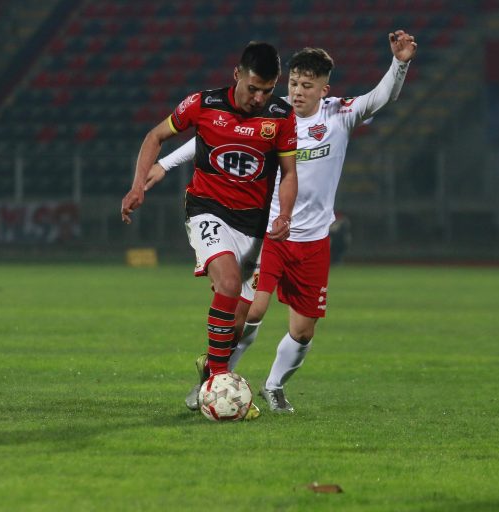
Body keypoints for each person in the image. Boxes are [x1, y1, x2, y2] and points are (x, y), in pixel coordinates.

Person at [146, 31, 417, 413]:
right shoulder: (272, 113)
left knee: (303, 331)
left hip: (313, 239)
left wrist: (400, 64)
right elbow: (208, 136)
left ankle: (273, 387)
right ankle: (213, 382)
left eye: (307, 85)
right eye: (293, 84)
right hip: (269, 231)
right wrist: (164, 163)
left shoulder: (340, 113)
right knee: (250, 313)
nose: (298, 92)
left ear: (324, 89)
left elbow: (381, 96)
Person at [121, 42, 298, 418]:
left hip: (254, 226)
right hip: (207, 210)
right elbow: (155, 136)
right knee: (228, 284)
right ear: (237, 75)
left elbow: (289, 173)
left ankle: (210, 371)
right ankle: (219, 380)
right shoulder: (203, 104)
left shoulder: (281, 117)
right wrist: (138, 186)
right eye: (253, 88)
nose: (259, 98)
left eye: (267, 90)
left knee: (239, 323)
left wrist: (284, 215)